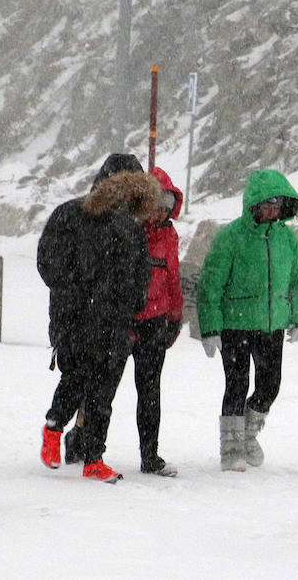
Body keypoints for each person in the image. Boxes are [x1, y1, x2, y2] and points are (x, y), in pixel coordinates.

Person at [37, 154, 158, 482]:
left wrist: (134, 301)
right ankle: (53, 429)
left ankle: (94, 457)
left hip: (115, 321)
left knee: (105, 391)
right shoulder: (71, 213)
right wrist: (78, 293)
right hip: (75, 318)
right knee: (75, 378)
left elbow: (141, 270)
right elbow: (48, 262)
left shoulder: (132, 226)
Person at [197, 169, 298, 471]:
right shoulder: (231, 237)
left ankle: (248, 435)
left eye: (277, 205)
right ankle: (231, 448)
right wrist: (210, 327)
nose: (272, 211)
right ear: (254, 204)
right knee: (236, 384)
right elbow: (210, 284)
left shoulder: (287, 239)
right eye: (267, 204)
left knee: (270, 385)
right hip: (235, 324)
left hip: (271, 325)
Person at [125, 167, 186, 476]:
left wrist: (175, 317)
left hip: (155, 322)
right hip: (124, 320)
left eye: (167, 201)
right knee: (101, 389)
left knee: (149, 391)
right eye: (156, 201)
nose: (161, 209)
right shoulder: (128, 230)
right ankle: (86, 444)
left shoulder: (170, 236)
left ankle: (150, 455)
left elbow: (173, 279)